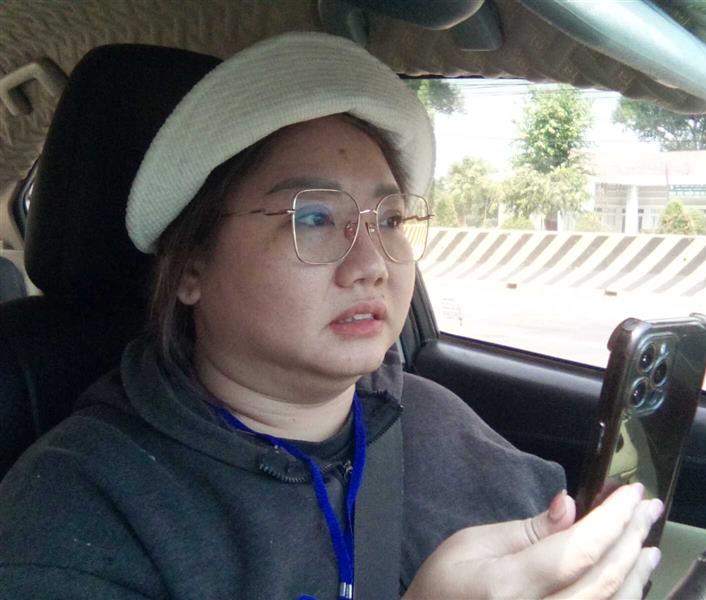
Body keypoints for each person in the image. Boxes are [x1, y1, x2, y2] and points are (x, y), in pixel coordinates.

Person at [0, 32, 662, 599]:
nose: (371, 263)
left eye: (390, 219)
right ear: (193, 265)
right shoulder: (77, 505)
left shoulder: (442, 422)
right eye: (313, 217)